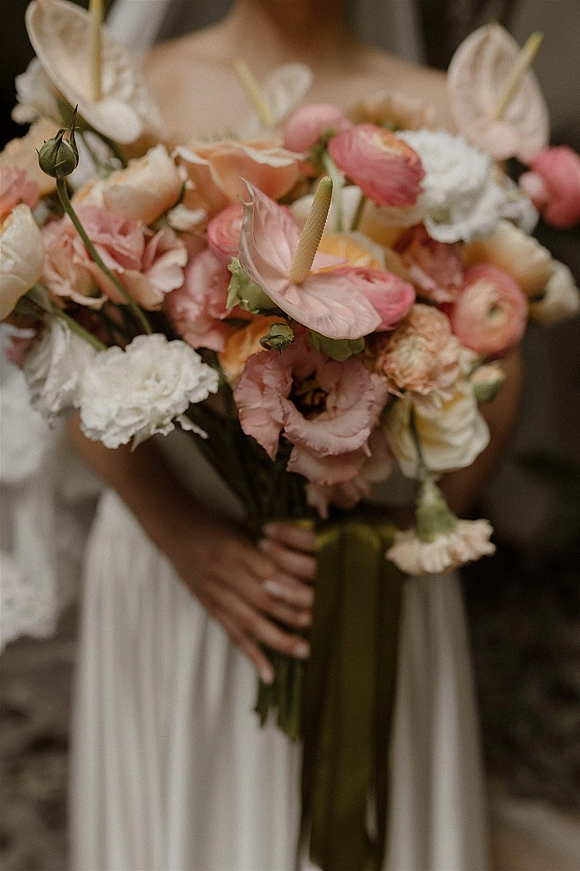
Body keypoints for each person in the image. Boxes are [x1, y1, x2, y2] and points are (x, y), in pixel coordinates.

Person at [67, 1, 523, 868]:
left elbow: (501, 351)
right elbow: (69, 349)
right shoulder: (129, 92)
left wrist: (404, 536)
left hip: (370, 570)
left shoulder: (443, 116)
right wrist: (182, 535)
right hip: (183, 565)